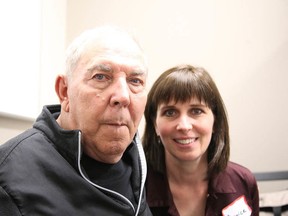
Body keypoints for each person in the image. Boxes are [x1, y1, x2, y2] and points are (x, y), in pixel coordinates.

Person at [0, 26, 152, 216]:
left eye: (135, 81)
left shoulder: (140, 162)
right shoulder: (9, 179)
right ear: (64, 92)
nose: (123, 96)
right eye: (101, 77)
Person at [142, 64, 259, 216]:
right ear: (155, 125)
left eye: (196, 111)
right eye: (170, 112)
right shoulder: (135, 188)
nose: (184, 126)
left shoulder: (243, 182)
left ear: (215, 121)